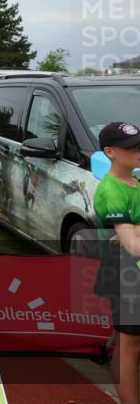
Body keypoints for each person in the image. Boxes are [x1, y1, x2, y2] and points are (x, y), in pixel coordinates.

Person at [93, 121, 140, 404]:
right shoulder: (110, 191)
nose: (137, 152)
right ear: (110, 152)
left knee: (129, 344)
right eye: (130, 148)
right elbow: (133, 247)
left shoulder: (135, 184)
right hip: (124, 274)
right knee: (129, 346)